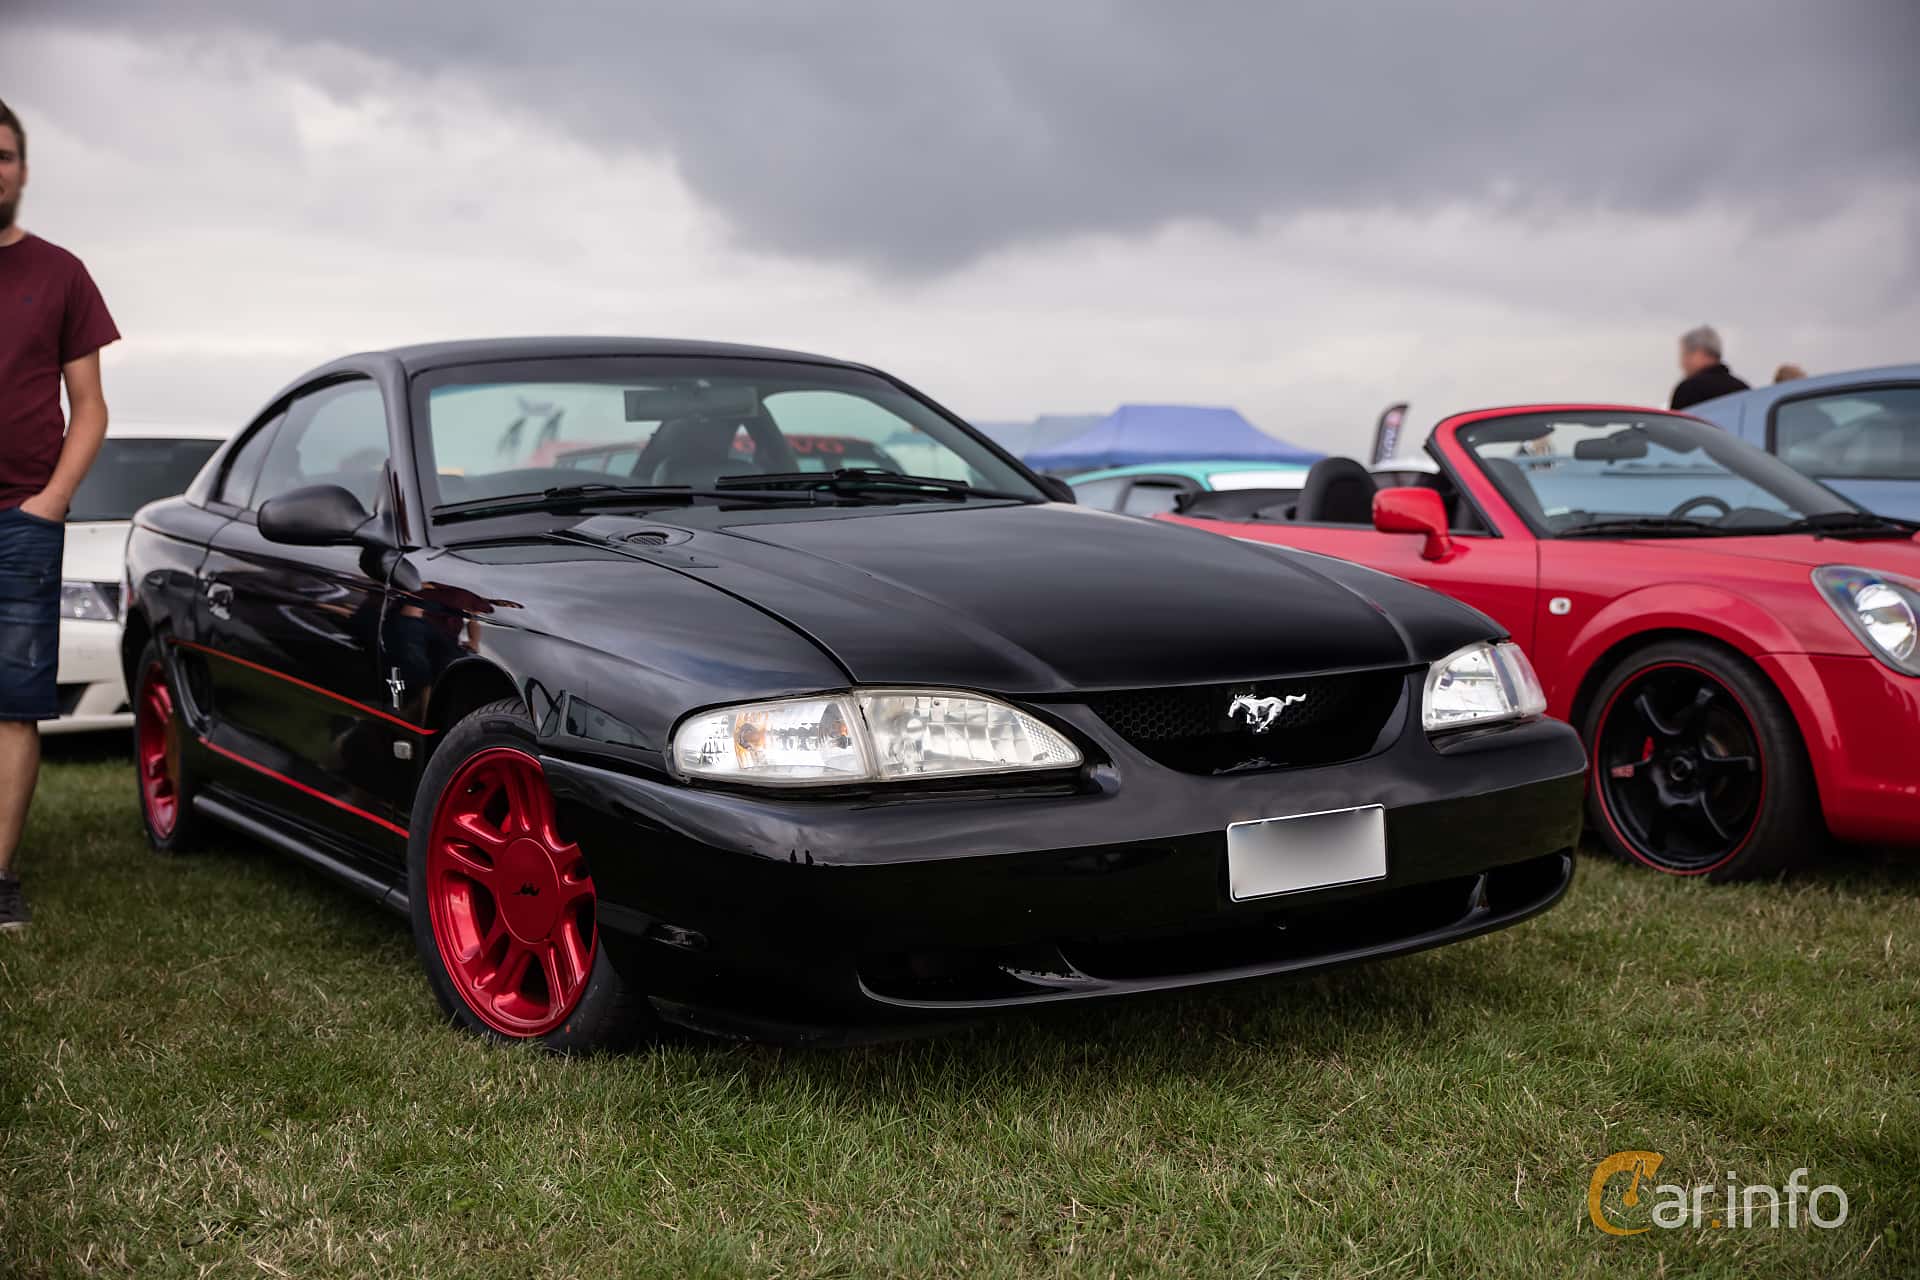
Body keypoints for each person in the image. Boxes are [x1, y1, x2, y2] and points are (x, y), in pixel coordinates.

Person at [0, 99, 120, 933]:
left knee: (12, 703)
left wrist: (49, 503)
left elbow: (90, 406)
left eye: (3, 156)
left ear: (23, 170)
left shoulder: (61, 273)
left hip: (22, 521)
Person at [1669, 325, 1749, 410]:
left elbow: (1675, 418)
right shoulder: (1743, 390)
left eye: (1685, 355)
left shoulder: (1688, 389)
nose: (1682, 363)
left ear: (1699, 353)